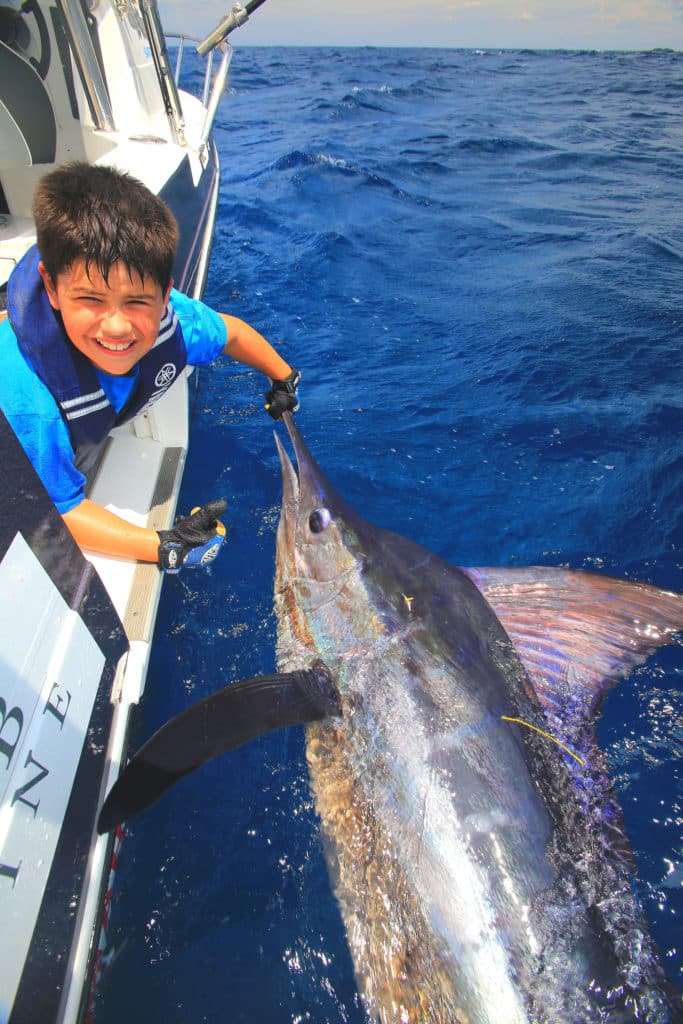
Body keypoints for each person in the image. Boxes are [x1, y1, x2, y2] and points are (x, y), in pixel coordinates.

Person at [0, 161, 300, 572]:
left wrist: (283, 377)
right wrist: (165, 544)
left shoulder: (174, 323)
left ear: (165, 295)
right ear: (51, 286)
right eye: (91, 300)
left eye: (137, 302)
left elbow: (231, 334)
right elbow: (60, 511)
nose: (117, 326)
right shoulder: (29, 405)